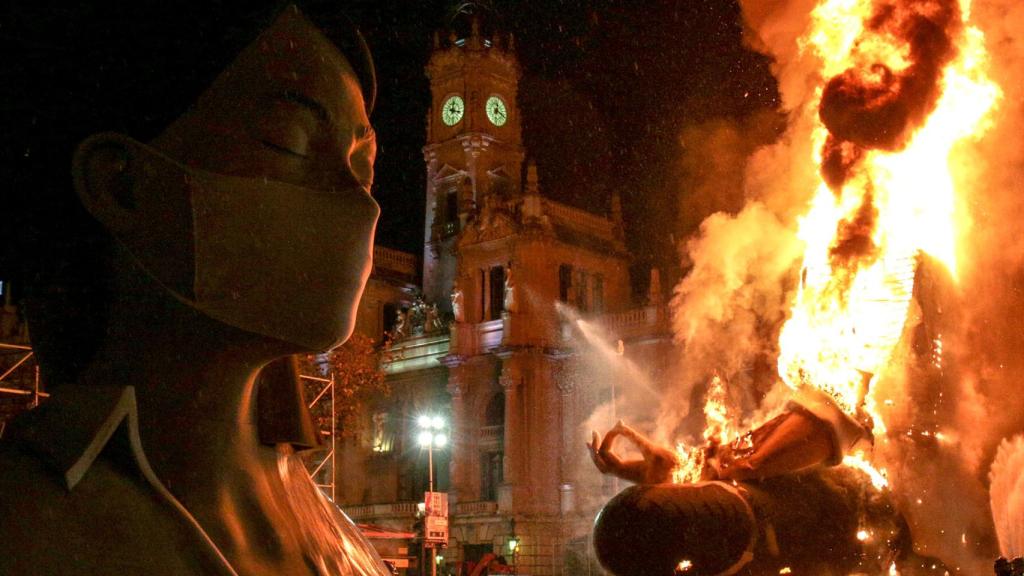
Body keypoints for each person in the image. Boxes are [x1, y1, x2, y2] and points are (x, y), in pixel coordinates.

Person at [0, 2, 389, 574]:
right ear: (122, 185)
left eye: (363, 164)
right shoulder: (24, 526)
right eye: (290, 142)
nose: (361, 202)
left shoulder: (344, 541)